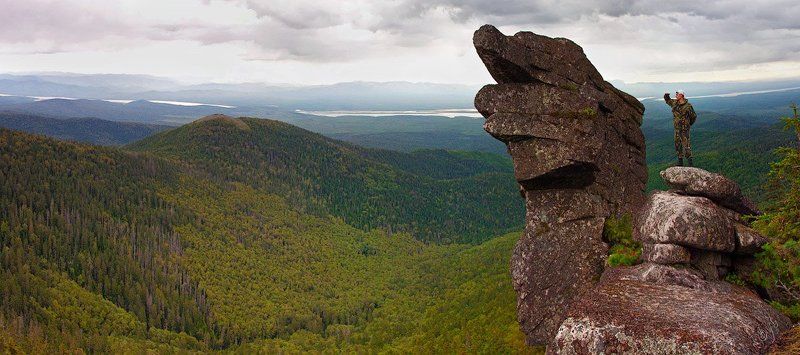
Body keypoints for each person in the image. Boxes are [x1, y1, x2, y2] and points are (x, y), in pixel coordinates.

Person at [664, 90, 697, 166]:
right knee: (677, 144)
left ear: (681, 95)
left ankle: (690, 163)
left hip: (684, 129)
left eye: (677, 94)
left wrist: (688, 124)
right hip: (677, 128)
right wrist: (666, 96)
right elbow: (668, 101)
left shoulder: (688, 106)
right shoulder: (675, 103)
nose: (676, 95)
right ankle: (680, 162)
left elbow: (693, 116)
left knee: (686, 146)